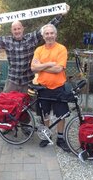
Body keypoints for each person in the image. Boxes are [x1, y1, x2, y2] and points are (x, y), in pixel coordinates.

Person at [0, 5, 70, 93]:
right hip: (12, 80)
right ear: (11, 30)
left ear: (23, 29)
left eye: (19, 28)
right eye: (14, 29)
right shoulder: (7, 41)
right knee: (6, 104)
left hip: (28, 80)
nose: (17, 31)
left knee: (30, 108)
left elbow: (47, 29)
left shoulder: (31, 38)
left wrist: (61, 14)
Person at [31, 24, 70, 152]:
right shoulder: (39, 50)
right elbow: (33, 68)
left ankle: (60, 138)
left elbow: (59, 69)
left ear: (55, 34)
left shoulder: (61, 49)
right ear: (43, 36)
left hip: (58, 87)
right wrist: (48, 64)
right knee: (45, 114)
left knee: (61, 114)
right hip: (43, 88)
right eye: (46, 34)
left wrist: (41, 66)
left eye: (51, 33)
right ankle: (47, 136)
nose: (49, 36)